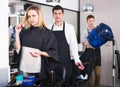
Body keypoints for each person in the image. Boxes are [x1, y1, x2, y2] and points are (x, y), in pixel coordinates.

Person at [15, 5, 59, 86]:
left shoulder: (48, 34)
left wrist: (40, 53)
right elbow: (18, 50)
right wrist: (17, 33)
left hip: (39, 71)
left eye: (34, 16)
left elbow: (53, 53)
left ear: (39, 16)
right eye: (29, 16)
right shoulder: (24, 32)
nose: (31, 18)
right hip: (23, 70)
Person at [47, 5, 84, 87]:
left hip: (65, 62)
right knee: (53, 84)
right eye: (55, 13)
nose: (57, 15)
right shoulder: (48, 27)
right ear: (53, 15)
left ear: (63, 14)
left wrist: (77, 60)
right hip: (52, 63)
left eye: (59, 13)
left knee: (65, 83)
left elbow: (73, 45)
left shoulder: (69, 28)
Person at [81, 15, 101, 87]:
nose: (91, 22)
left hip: (97, 53)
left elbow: (99, 41)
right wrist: (90, 43)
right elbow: (83, 41)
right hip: (88, 54)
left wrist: (89, 42)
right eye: (90, 21)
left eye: (93, 21)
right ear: (87, 21)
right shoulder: (84, 31)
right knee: (89, 73)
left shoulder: (98, 30)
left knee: (98, 74)